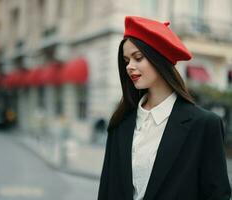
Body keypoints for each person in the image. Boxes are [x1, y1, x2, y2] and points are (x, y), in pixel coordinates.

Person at [97, 16, 231, 200]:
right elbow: (106, 191)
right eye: (127, 60)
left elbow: (217, 195)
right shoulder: (120, 123)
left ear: (158, 58)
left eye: (138, 58)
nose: (129, 67)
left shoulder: (204, 125)